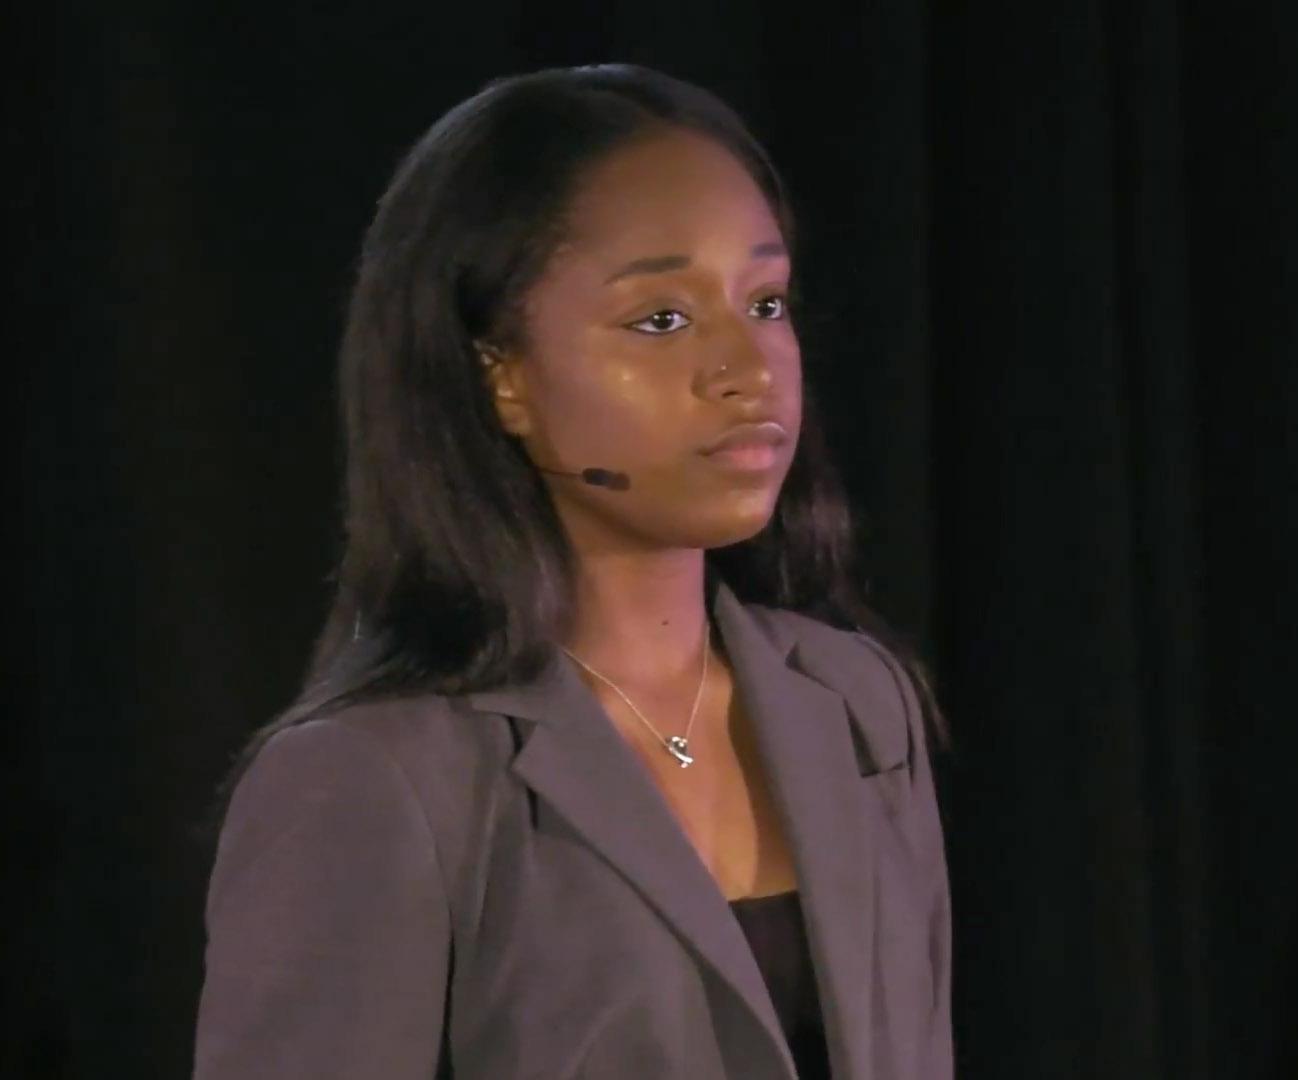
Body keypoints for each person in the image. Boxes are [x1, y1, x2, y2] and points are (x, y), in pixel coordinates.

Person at [193, 63, 952, 1080]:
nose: (747, 366)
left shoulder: (858, 704)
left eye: (766, 301)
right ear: (499, 372)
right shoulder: (376, 781)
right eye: (663, 320)